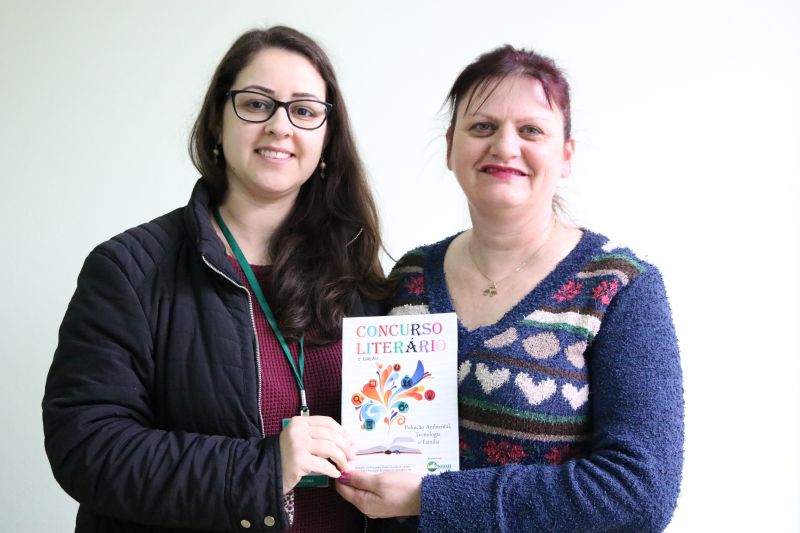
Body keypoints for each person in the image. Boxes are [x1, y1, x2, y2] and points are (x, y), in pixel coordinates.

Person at [42, 26, 388, 532]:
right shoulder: (129, 270)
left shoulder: (358, 272)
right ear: (216, 124)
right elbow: (86, 445)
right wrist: (264, 468)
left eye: (304, 110)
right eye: (256, 104)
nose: (280, 126)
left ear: (327, 138)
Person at [336, 45, 684, 532]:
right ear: (450, 148)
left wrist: (430, 499)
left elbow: (640, 492)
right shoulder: (410, 276)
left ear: (566, 155)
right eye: (482, 127)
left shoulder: (619, 287)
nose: (504, 146)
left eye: (531, 131)